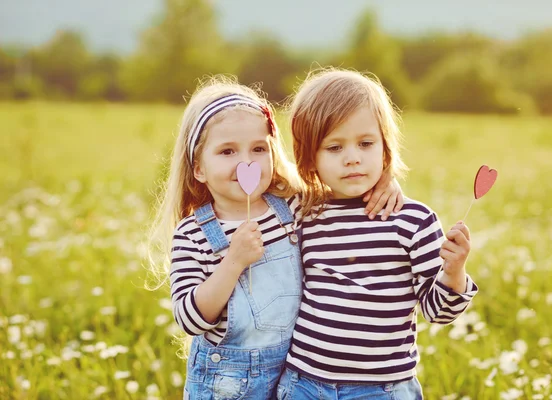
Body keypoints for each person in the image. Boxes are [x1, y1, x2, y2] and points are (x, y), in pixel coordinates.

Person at [147, 76, 403, 399]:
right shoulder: (193, 233)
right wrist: (233, 261)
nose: (246, 162)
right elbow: (189, 318)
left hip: (295, 377)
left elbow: (345, 190)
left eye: (258, 149)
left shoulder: (292, 207)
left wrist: (384, 181)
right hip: (227, 383)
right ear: (198, 167)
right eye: (227, 151)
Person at [277, 69, 479, 400]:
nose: (353, 157)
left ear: (385, 147)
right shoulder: (302, 212)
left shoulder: (413, 220)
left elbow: (437, 312)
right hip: (305, 383)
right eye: (334, 147)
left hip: (383, 390)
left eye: (366, 143)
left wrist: (454, 272)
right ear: (310, 159)